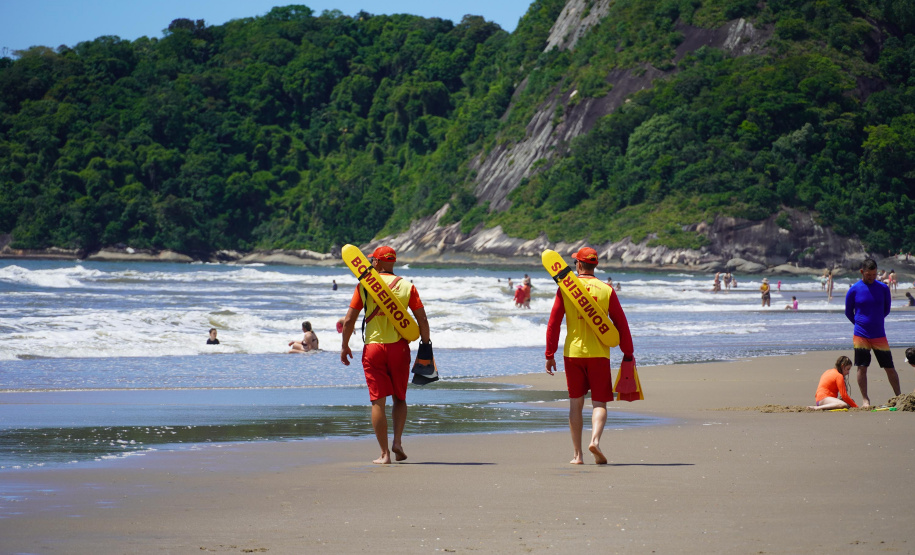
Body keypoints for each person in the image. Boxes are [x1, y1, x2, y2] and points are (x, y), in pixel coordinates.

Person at [340, 246, 431, 464]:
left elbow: (349, 320)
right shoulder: (407, 286)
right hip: (399, 348)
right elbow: (422, 320)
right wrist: (425, 345)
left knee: (377, 402)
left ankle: (384, 454)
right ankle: (397, 442)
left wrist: (344, 346)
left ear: (378, 263)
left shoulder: (364, 285)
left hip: (373, 349)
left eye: (372, 260)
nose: (370, 263)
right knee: (400, 398)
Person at [545, 247, 635, 465]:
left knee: (575, 404)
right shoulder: (607, 290)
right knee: (599, 404)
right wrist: (628, 353)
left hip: (573, 354)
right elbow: (621, 324)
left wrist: (550, 353)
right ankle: (595, 440)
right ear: (595, 265)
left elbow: (554, 322)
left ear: (577, 264)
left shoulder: (566, 289)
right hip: (599, 354)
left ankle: (578, 456)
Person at [845, 258, 900, 408]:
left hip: (879, 334)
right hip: (861, 335)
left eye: (874, 274)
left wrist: (876, 322)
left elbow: (886, 309)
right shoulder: (854, 289)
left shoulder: (883, 288)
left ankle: (899, 396)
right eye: (869, 275)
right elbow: (848, 312)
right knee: (862, 367)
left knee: (889, 367)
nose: (871, 277)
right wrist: (859, 324)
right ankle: (865, 400)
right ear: (862, 272)